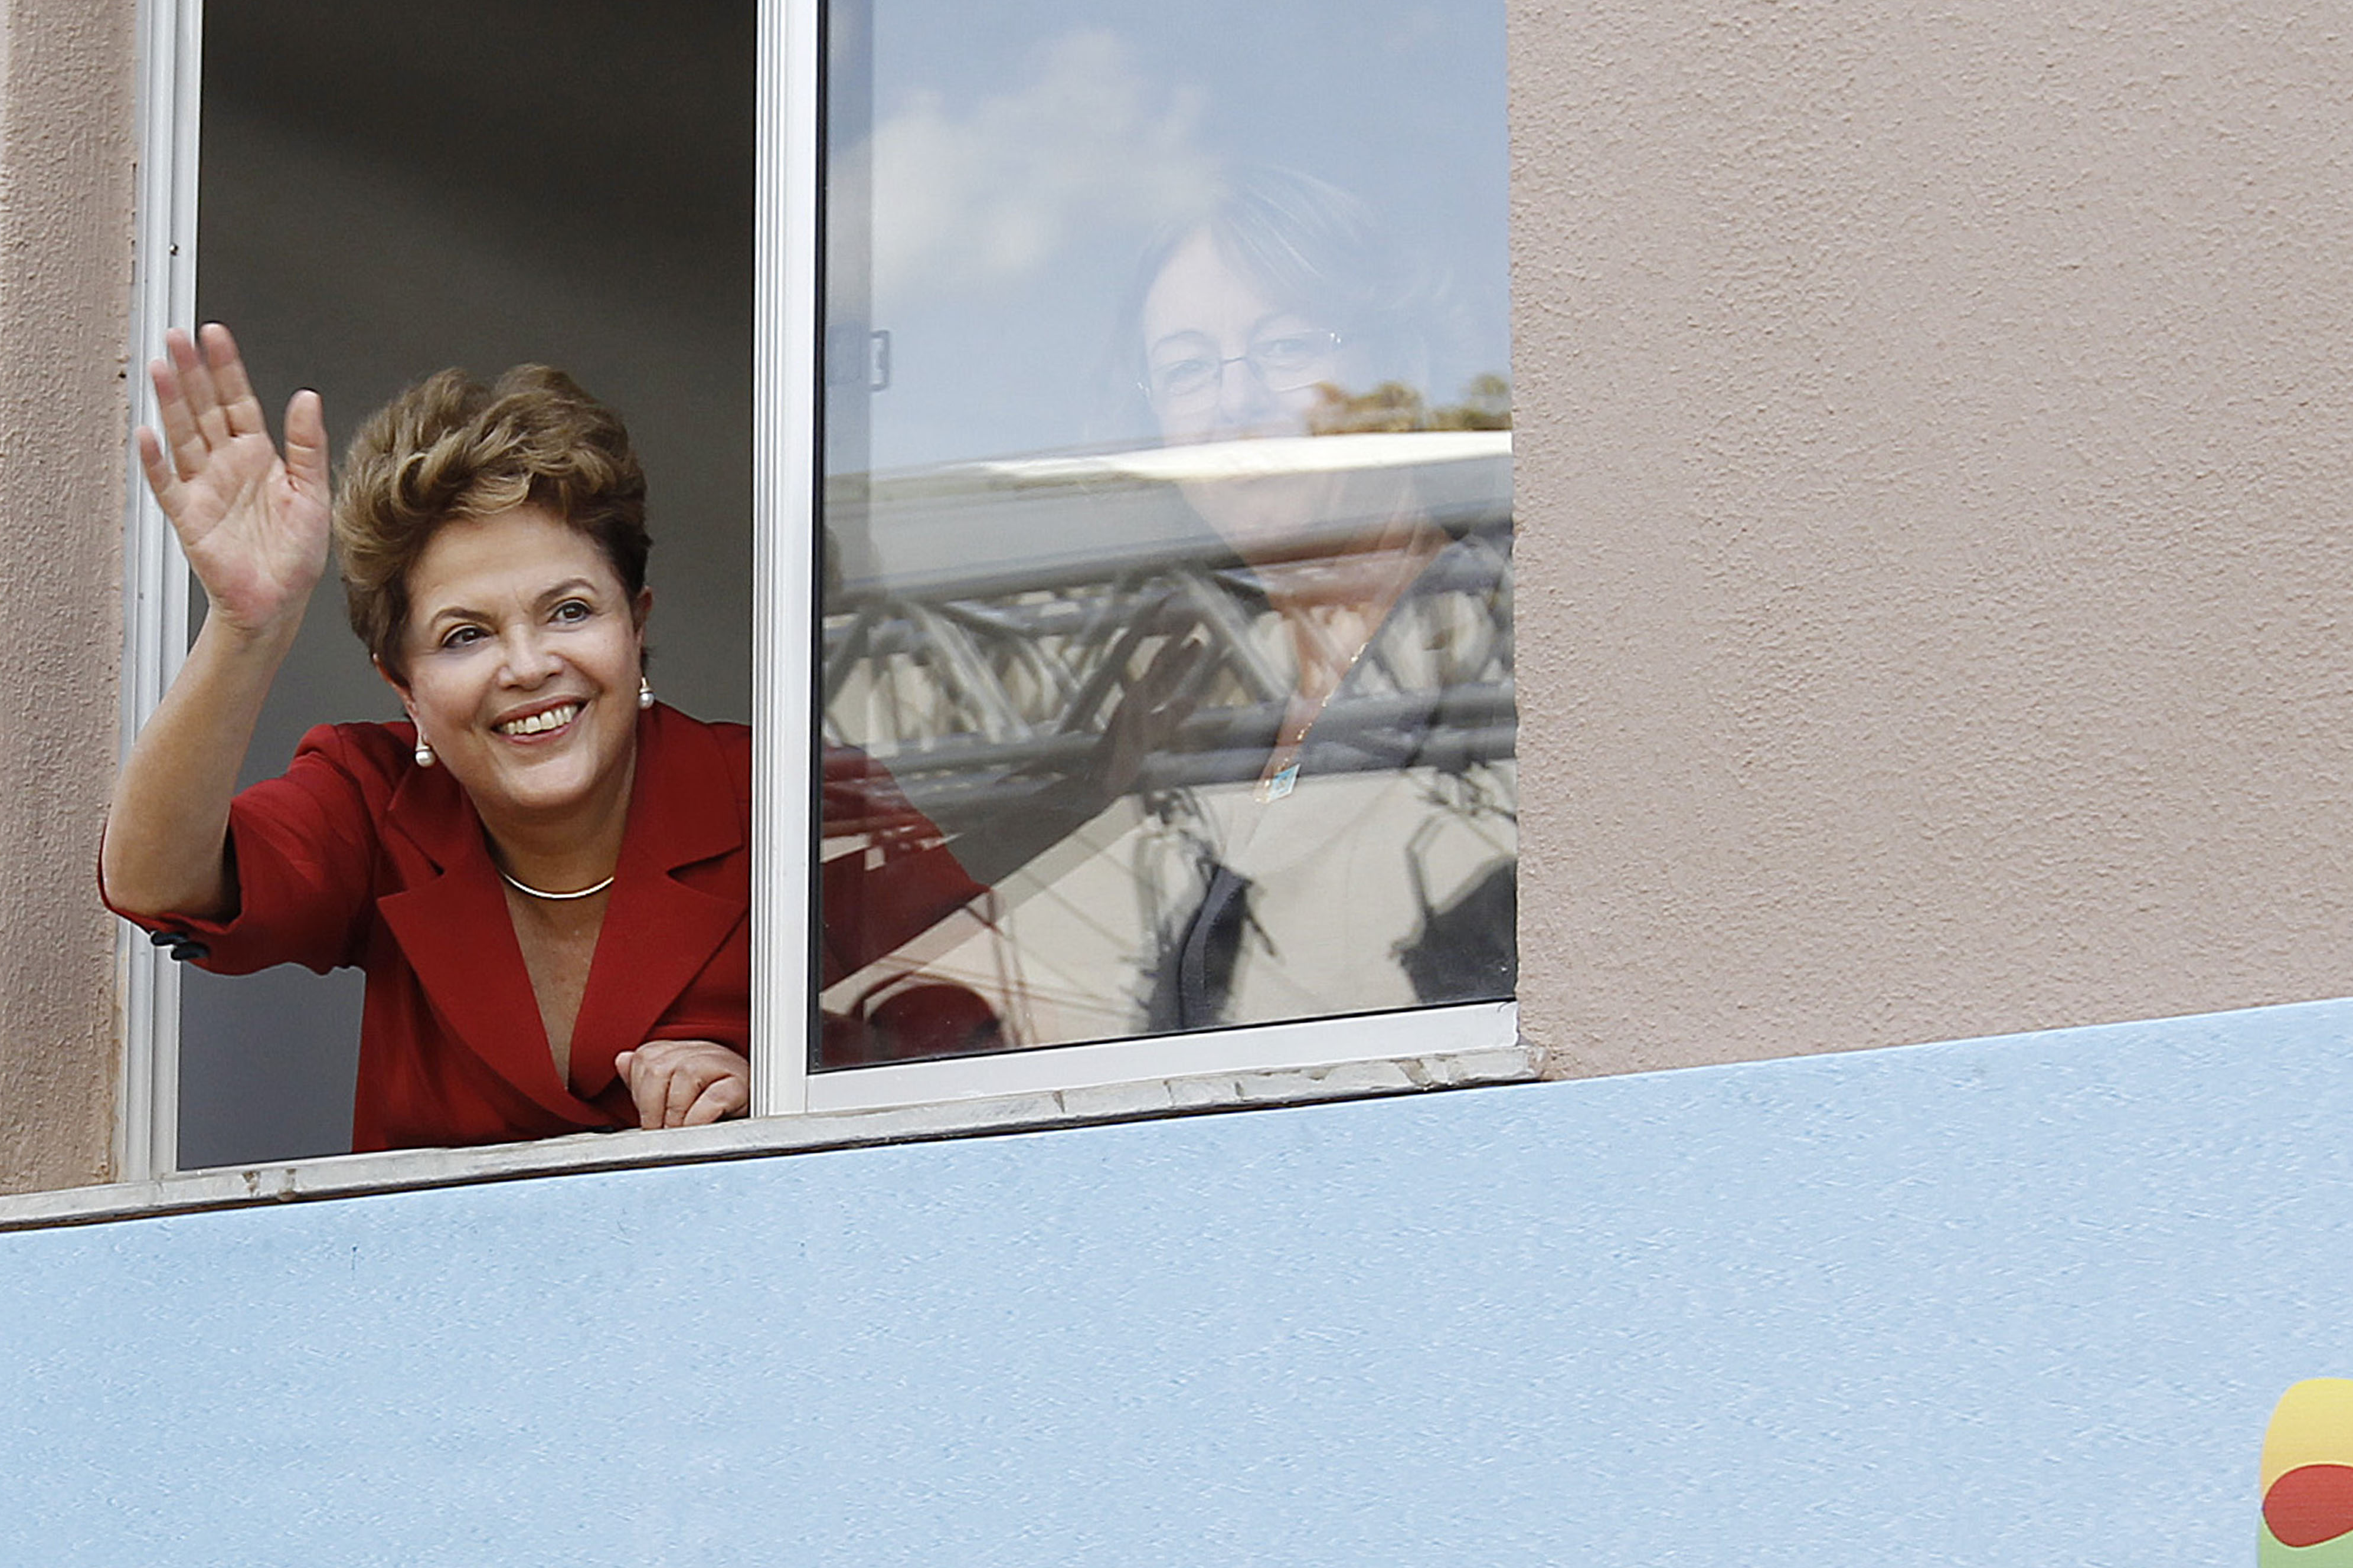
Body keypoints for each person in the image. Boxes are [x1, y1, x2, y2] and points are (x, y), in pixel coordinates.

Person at [819, 168, 1515, 1050]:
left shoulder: (1510, 632)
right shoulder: (1186, 698)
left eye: (1285, 349)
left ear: (1401, 368)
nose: (1234, 401)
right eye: (1187, 369)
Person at [103, 330, 776, 1152]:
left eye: (569, 610)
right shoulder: (375, 798)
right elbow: (155, 880)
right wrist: (251, 628)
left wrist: (779, 1090)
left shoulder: (787, 801)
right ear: (403, 685)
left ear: (635, 625)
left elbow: (967, 1030)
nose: (528, 667)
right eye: (465, 636)